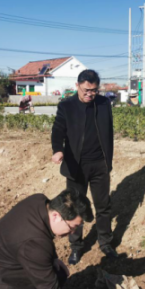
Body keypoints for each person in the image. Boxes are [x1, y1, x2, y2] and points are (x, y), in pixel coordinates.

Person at [51, 69, 117, 265]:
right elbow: (58, 130)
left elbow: (108, 132)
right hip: (76, 166)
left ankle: (105, 243)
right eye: (86, 90)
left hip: (99, 165)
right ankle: (76, 247)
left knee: (103, 206)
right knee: (74, 207)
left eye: (94, 90)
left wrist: (108, 161)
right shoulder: (67, 106)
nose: (90, 94)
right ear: (77, 86)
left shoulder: (104, 104)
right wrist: (57, 150)